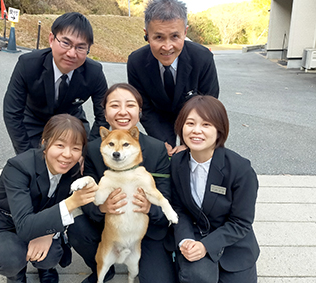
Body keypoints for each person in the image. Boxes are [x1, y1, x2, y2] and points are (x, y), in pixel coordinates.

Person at [0, 114, 98, 283]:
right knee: (11, 258)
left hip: (39, 222)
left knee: (51, 256)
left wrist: (48, 234)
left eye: (76, 148)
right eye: (60, 145)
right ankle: (16, 275)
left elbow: (59, 210)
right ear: (45, 143)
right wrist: (72, 202)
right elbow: (25, 225)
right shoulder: (18, 167)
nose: (67, 154)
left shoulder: (73, 170)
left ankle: (45, 269)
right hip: (6, 224)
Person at [67, 83, 177, 283]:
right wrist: (101, 207)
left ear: (139, 111)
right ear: (106, 113)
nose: (123, 112)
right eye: (115, 105)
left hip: (145, 231)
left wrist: (149, 207)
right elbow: (87, 198)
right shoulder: (93, 149)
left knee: (157, 279)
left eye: (130, 105)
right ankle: (102, 268)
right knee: (77, 228)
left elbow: (166, 196)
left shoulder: (156, 148)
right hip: (109, 227)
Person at [171, 95, 259, 283]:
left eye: (206, 125)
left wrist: (207, 246)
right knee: (196, 277)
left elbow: (241, 222)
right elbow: (179, 209)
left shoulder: (240, 169)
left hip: (233, 242)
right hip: (195, 236)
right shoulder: (177, 163)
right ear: (181, 127)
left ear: (219, 130)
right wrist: (185, 240)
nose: (196, 131)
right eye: (190, 123)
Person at [4, 12, 109, 155]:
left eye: (80, 47)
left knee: (79, 167)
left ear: (88, 49)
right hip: (34, 120)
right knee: (35, 168)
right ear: (51, 39)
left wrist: (88, 153)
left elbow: (104, 115)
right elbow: (12, 112)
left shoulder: (94, 72)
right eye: (66, 43)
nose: (72, 53)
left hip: (72, 119)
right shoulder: (28, 64)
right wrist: (26, 155)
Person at [127, 0, 219, 156]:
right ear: (147, 35)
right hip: (159, 114)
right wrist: (162, 143)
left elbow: (209, 102)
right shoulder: (136, 62)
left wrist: (190, 142)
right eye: (159, 37)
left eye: (175, 36)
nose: (167, 46)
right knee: (163, 156)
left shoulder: (203, 58)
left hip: (194, 116)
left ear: (185, 32)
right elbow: (145, 108)